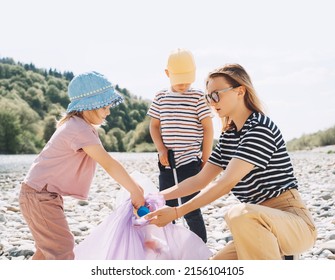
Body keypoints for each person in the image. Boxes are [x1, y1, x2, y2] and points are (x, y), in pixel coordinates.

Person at [146, 63, 317, 259]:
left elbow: (225, 183)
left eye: (216, 94)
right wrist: (155, 198)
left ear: (240, 91)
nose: (212, 102)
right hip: (255, 226)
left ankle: (282, 257)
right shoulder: (229, 136)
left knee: (239, 214)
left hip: (292, 222)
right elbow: (199, 180)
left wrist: (177, 212)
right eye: (209, 97)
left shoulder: (259, 129)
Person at [19, 71, 145, 260]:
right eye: (105, 107)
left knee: (47, 251)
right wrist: (134, 189)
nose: (109, 112)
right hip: (39, 196)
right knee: (62, 249)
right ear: (89, 106)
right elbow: (108, 163)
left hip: (39, 194)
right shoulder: (79, 129)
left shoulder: (78, 126)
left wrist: (134, 186)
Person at [147, 48, 214, 243]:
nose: (184, 84)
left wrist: (206, 156)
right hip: (167, 161)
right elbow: (154, 126)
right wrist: (160, 148)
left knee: (190, 206)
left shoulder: (198, 97)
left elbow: (208, 128)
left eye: (188, 78)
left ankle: (200, 246)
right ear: (168, 74)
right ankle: (171, 245)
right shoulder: (160, 97)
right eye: (179, 79)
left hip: (189, 161)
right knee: (165, 204)